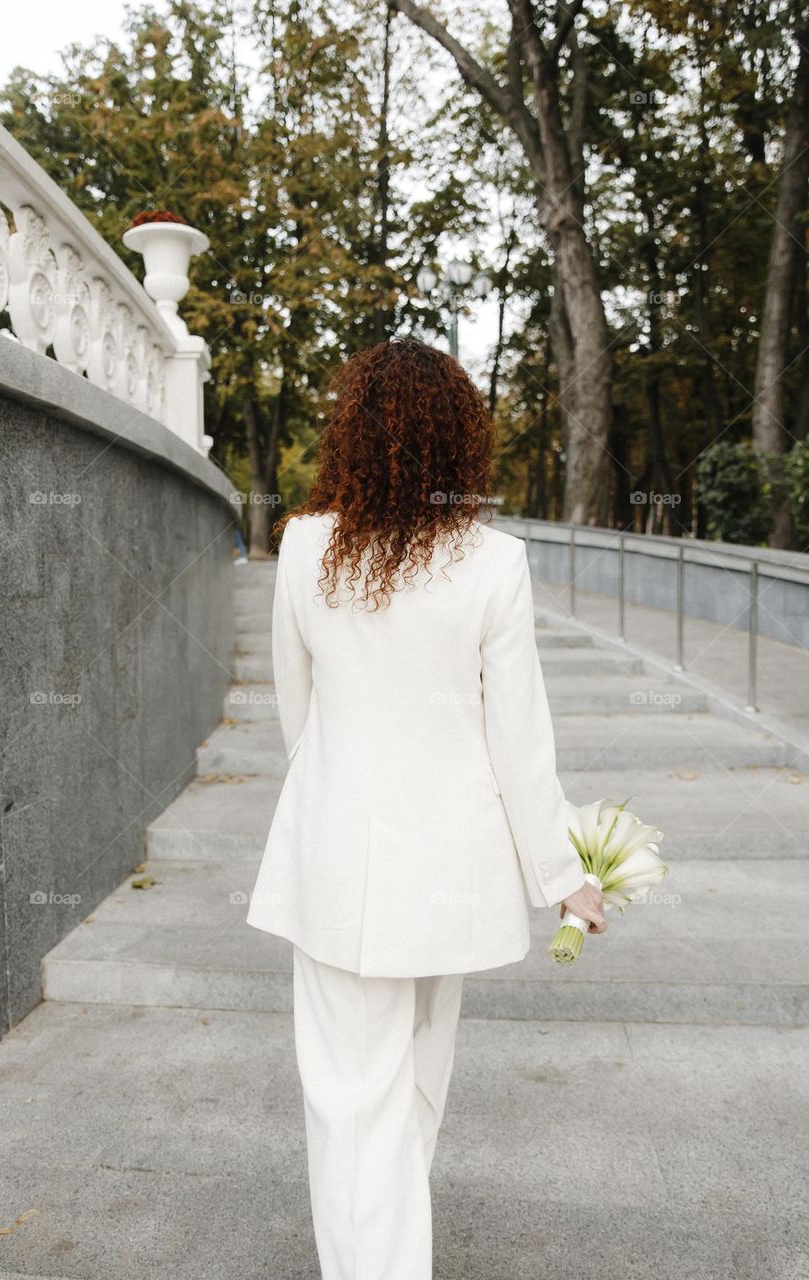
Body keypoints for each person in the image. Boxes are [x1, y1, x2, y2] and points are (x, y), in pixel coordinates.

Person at [246, 337, 606, 1280]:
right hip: (452, 869)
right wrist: (568, 879)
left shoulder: (301, 548)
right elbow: (519, 743)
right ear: (458, 441)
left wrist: (335, 794)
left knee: (347, 1095)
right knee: (413, 1086)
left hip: (335, 859)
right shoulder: (495, 563)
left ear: (351, 434)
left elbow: (299, 714)